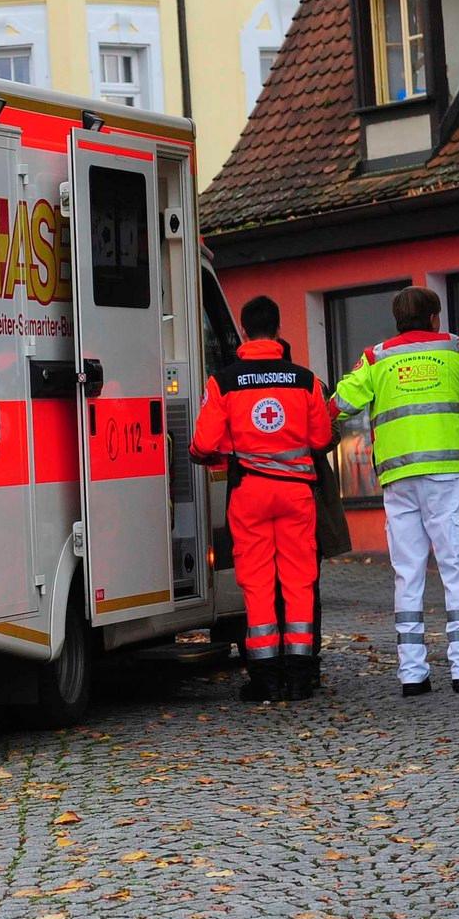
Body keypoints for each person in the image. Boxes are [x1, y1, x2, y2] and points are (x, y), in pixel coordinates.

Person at [331, 287, 459, 696]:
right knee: (457, 568)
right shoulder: (457, 350)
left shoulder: (376, 358)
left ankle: (412, 674)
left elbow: (339, 404)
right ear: (435, 318)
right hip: (445, 474)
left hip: (398, 479)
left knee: (407, 573)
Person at [190, 297, 334, 702]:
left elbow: (202, 444)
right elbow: (322, 439)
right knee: (299, 581)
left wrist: (226, 451)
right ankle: (302, 676)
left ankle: (265, 678)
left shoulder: (223, 382)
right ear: (278, 327)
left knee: (256, 583)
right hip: (296, 495)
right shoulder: (305, 380)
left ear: (243, 327)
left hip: (249, 492)